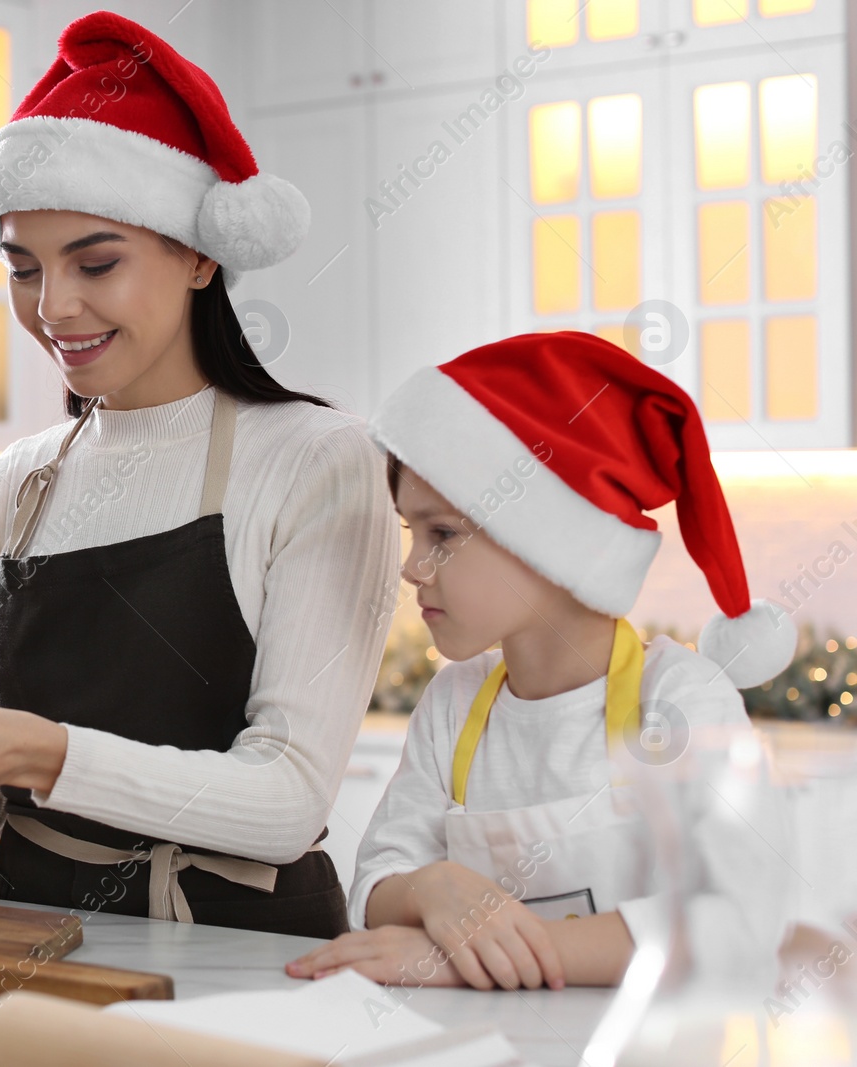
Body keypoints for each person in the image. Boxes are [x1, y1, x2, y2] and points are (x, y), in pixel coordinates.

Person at [0, 11, 400, 938]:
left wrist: (32, 750)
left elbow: (285, 797)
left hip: (232, 946)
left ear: (201, 252)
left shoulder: (317, 458)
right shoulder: (18, 480)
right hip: (22, 928)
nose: (53, 307)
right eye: (22, 267)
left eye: (96, 262)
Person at [285, 332, 797, 988]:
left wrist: (460, 957)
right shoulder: (453, 704)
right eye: (412, 533)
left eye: (442, 533)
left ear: (554, 544)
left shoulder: (681, 700)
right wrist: (432, 886)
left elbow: (741, 916)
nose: (413, 566)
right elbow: (377, 884)